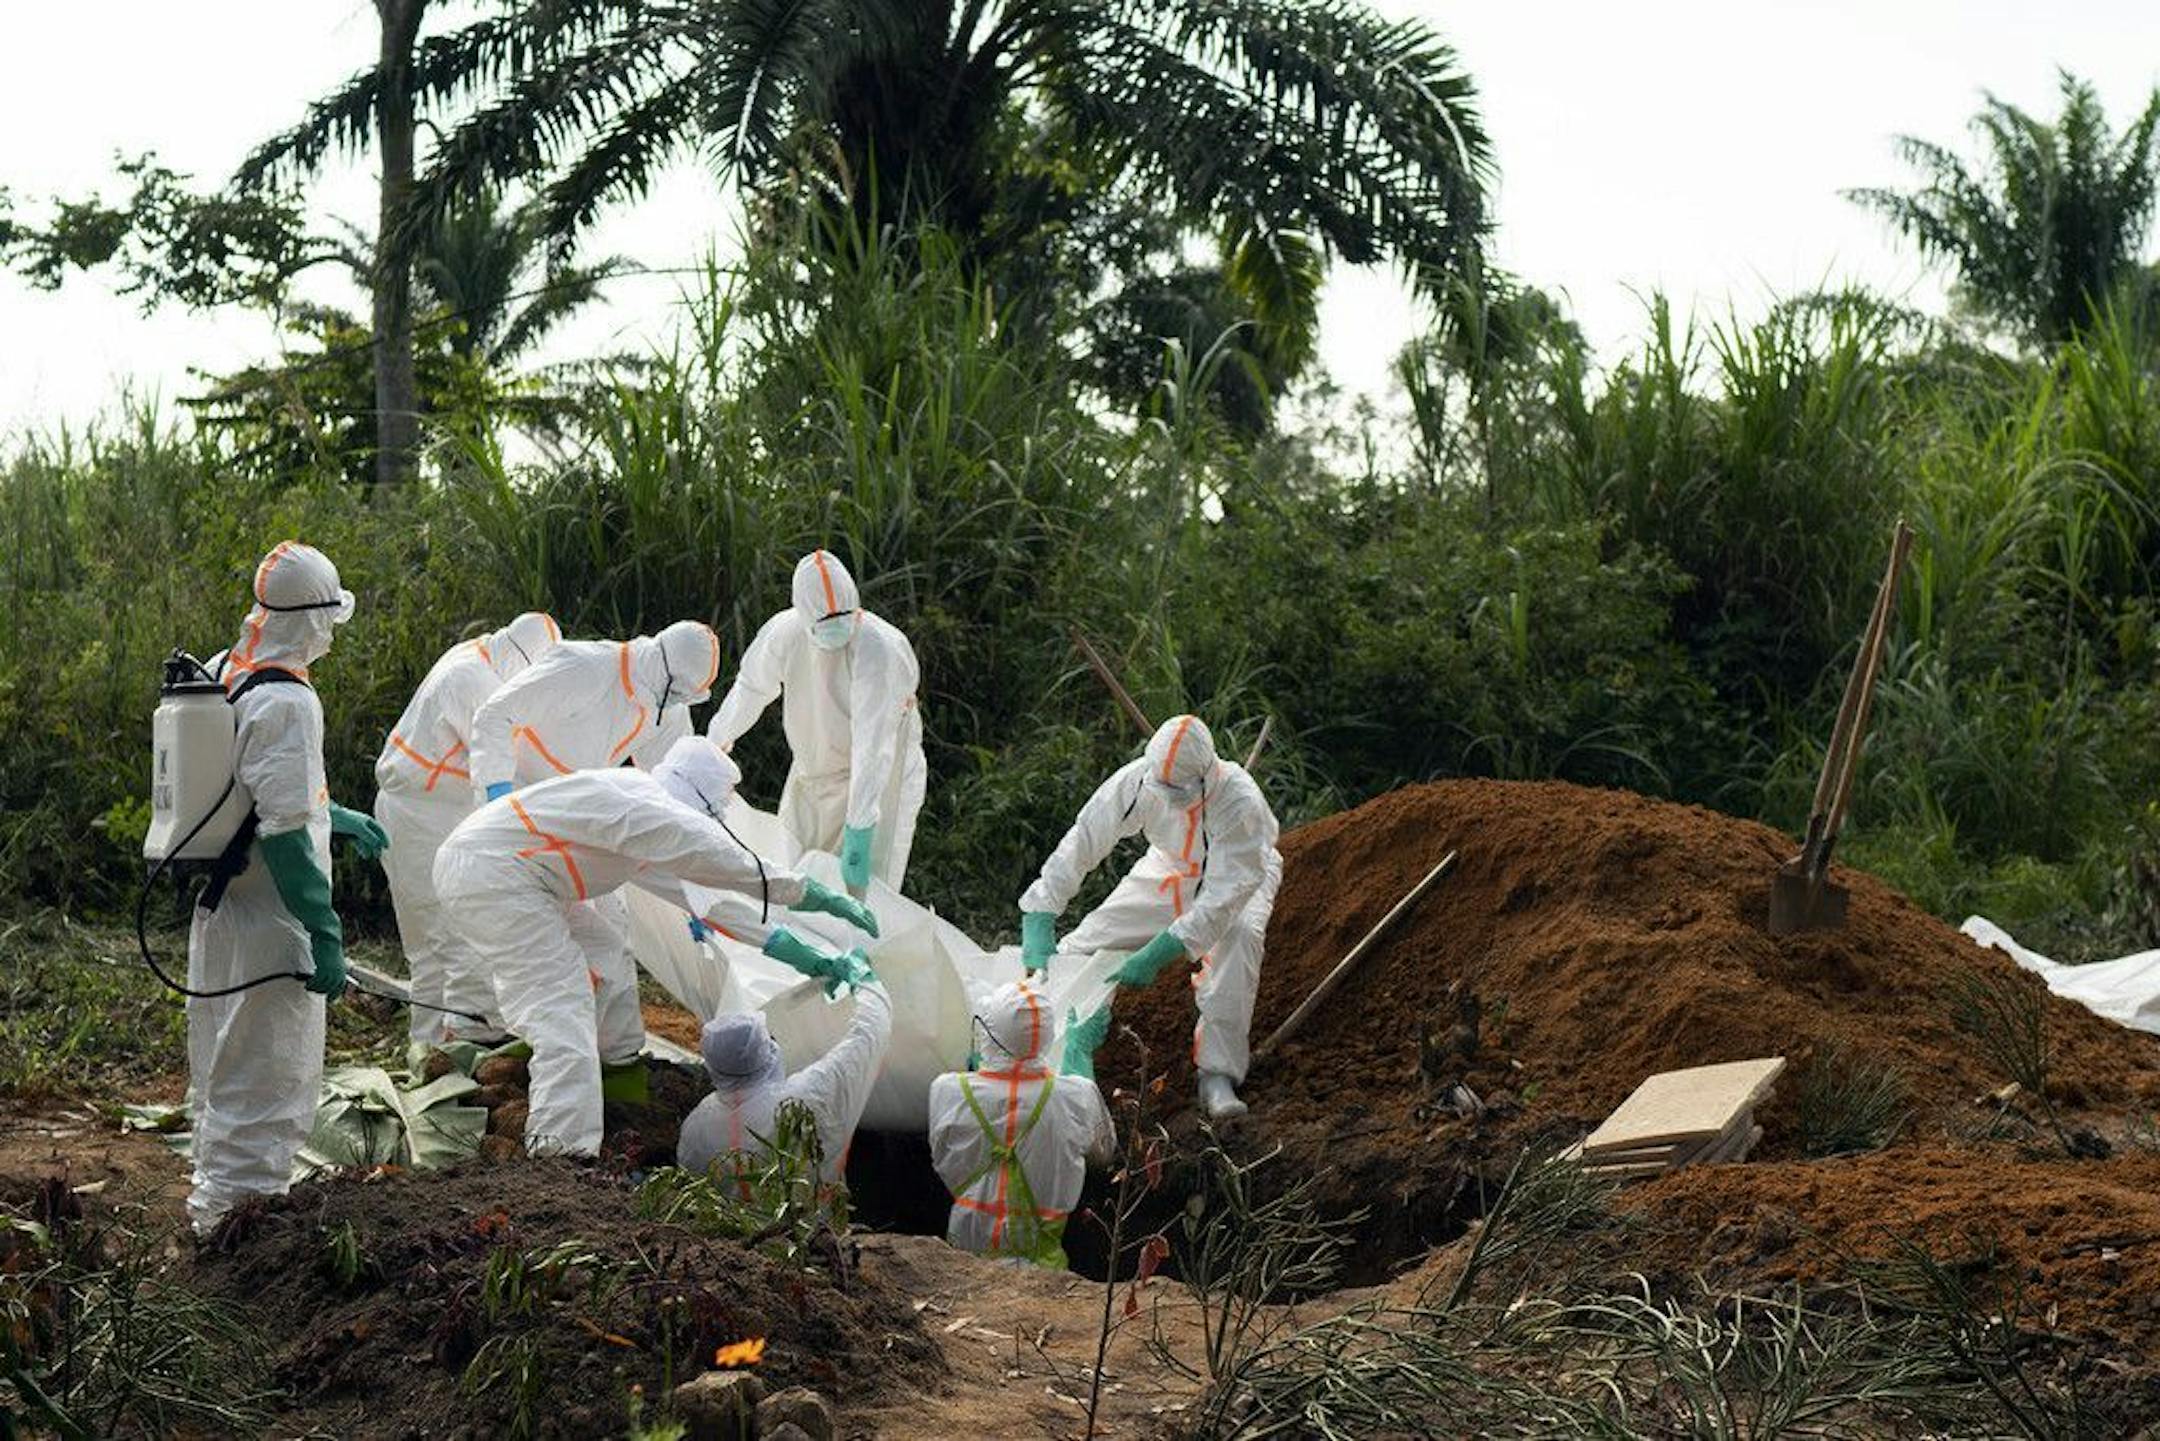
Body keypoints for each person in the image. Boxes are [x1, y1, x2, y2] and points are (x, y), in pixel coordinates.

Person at [432, 737, 878, 1158]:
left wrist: (808, 956)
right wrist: (812, 893)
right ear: (699, 801)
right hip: (494, 876)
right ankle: (561, 1156)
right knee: (561, 1009)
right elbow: (729, 862)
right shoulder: (645, 809)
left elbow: (714, 905)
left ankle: (613, 1079)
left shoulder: (641, 822)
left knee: (605, 948)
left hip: (517, 876)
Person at [188, 541, 385, 1235]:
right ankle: (241, 1237)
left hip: (220, 907)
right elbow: (281, 832)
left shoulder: (225, 669)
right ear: (313, 620)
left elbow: (251, 791)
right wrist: (324, 932)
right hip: (273, 923)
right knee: (268, 1079)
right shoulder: (289, 701)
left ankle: (213, 1213)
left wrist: (334, 815)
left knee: (223, 1068)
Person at [1017, 715, 1280, 1119]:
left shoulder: (1240, 802)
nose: (1170, 796)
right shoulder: (1139, 779)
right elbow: (1086, 836)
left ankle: (1217, 1074)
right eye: (1164, 787)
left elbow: (1223, 898)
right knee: (1088, 941)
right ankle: (1031, 1033)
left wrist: (1161, 952)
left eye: (1180, 790)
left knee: (1239, 938)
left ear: (1206, 775)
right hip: (1169, 868)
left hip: (1241, 876)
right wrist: (1042, 909)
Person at [373, 612, 562, 1055]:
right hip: (424, 816)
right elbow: (504, 758)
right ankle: (468, 1051)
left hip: (416, 808)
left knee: (429, 946)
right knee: (454, 932)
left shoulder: (473, 653)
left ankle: (429, 1050)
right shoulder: (474, 682)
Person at [707, 550, 926, 898]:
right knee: (793, 874)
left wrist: (860, 827)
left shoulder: (879, 648)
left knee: (868, 892)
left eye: (842, 615)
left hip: (877, 783)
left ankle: (861, 951)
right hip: (812, 770)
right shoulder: (786, 632)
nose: (834, 625)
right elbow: (751, 688)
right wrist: (715, 744)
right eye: (823, 621)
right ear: (803, 614)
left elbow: (874, 745)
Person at [927, 984, 1112, 1268]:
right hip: (1043, 1271)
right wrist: (1079, 1064)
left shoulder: (947, 1091)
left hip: (963, 1264)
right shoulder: (1076, 1097)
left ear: (988, 1033)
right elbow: (1104, 1155)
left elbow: (942, 1157)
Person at [677, 974, 893, 1190]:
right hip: (814, 1223)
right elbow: (868, 1037)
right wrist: (864, 978)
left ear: (712, 1067)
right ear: (768, 1051)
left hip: (727, 1225)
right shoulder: (806, 1099)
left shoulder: (697, 1125)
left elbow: (693, 1185)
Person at [469, 620, 722, 799]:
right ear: (660, 661)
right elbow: (495, 715)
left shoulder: (670, 707)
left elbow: (670, 779)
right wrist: (498, 794)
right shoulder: (586, 667)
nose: (675, 700)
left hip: (569, 805)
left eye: (685, 696)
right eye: (675, 690)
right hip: (514, 787)